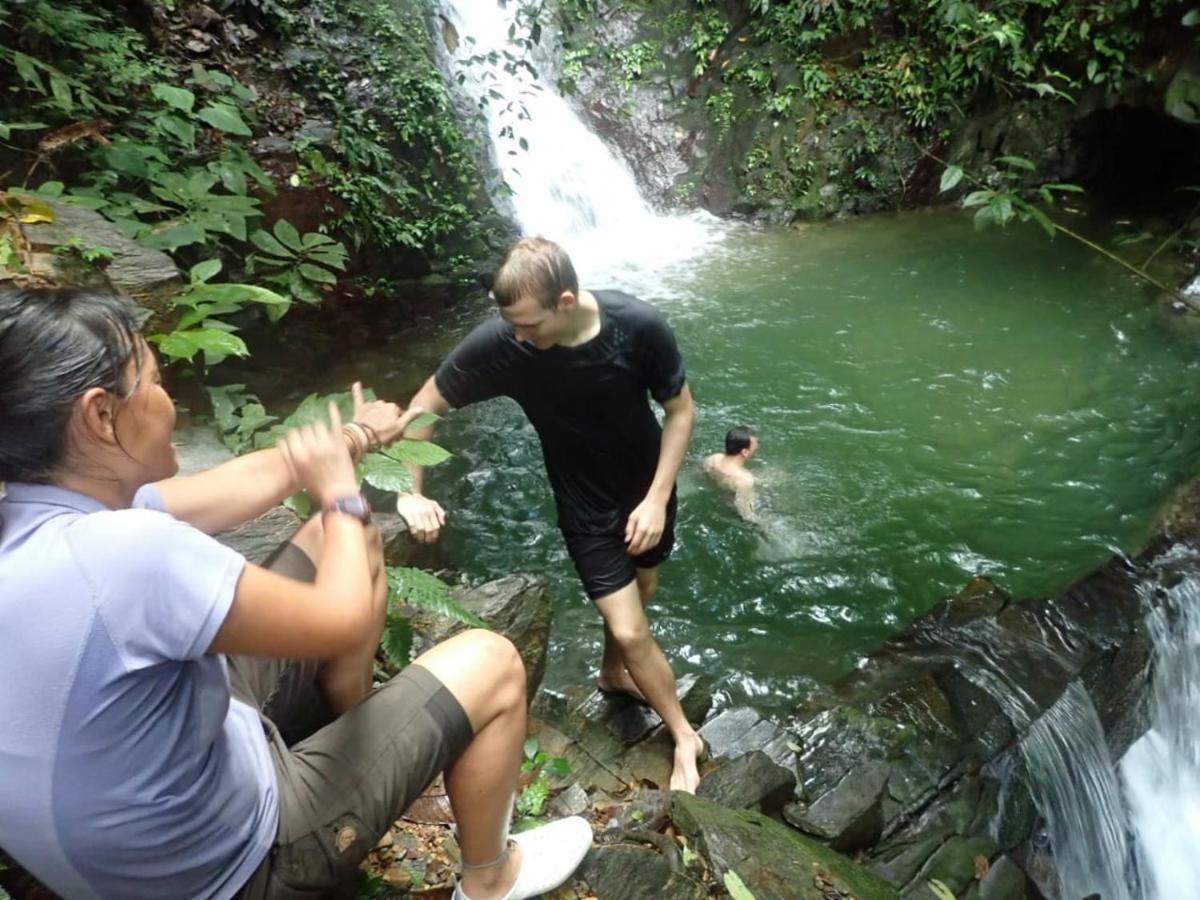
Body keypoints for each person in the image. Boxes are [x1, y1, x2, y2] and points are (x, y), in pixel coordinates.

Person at [0, 287, 592, 900]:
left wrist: (358, 438)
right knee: (491, 661)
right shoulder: (127, 556)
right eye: (152, 380)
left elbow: (229, 487)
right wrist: (341, 493)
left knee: (338, 540)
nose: (168, 398)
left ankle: (358, 730)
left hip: (130, 841)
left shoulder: (37, 523)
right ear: (100, 416)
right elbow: (339, 621)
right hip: (234, 867)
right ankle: (490, 878)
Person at [394, 237, 706, 792]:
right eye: (511, 325)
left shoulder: (638, 326)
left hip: (647, 493)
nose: (519, 338)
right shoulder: (506, 342)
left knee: (645, 587)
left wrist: (658, 498)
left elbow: (681, 412)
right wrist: (409, 491)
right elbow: (423, 408)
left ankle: (612, 676)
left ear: (565, 300)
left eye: (529, 325)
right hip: (584, 508)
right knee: (633, 629)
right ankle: (685, 737)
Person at [703, 426, 759, 520]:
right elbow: (746, 513)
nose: (757, 445)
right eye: (755, 445)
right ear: (745, 452)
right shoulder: (744, 479)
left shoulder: (712, 459)